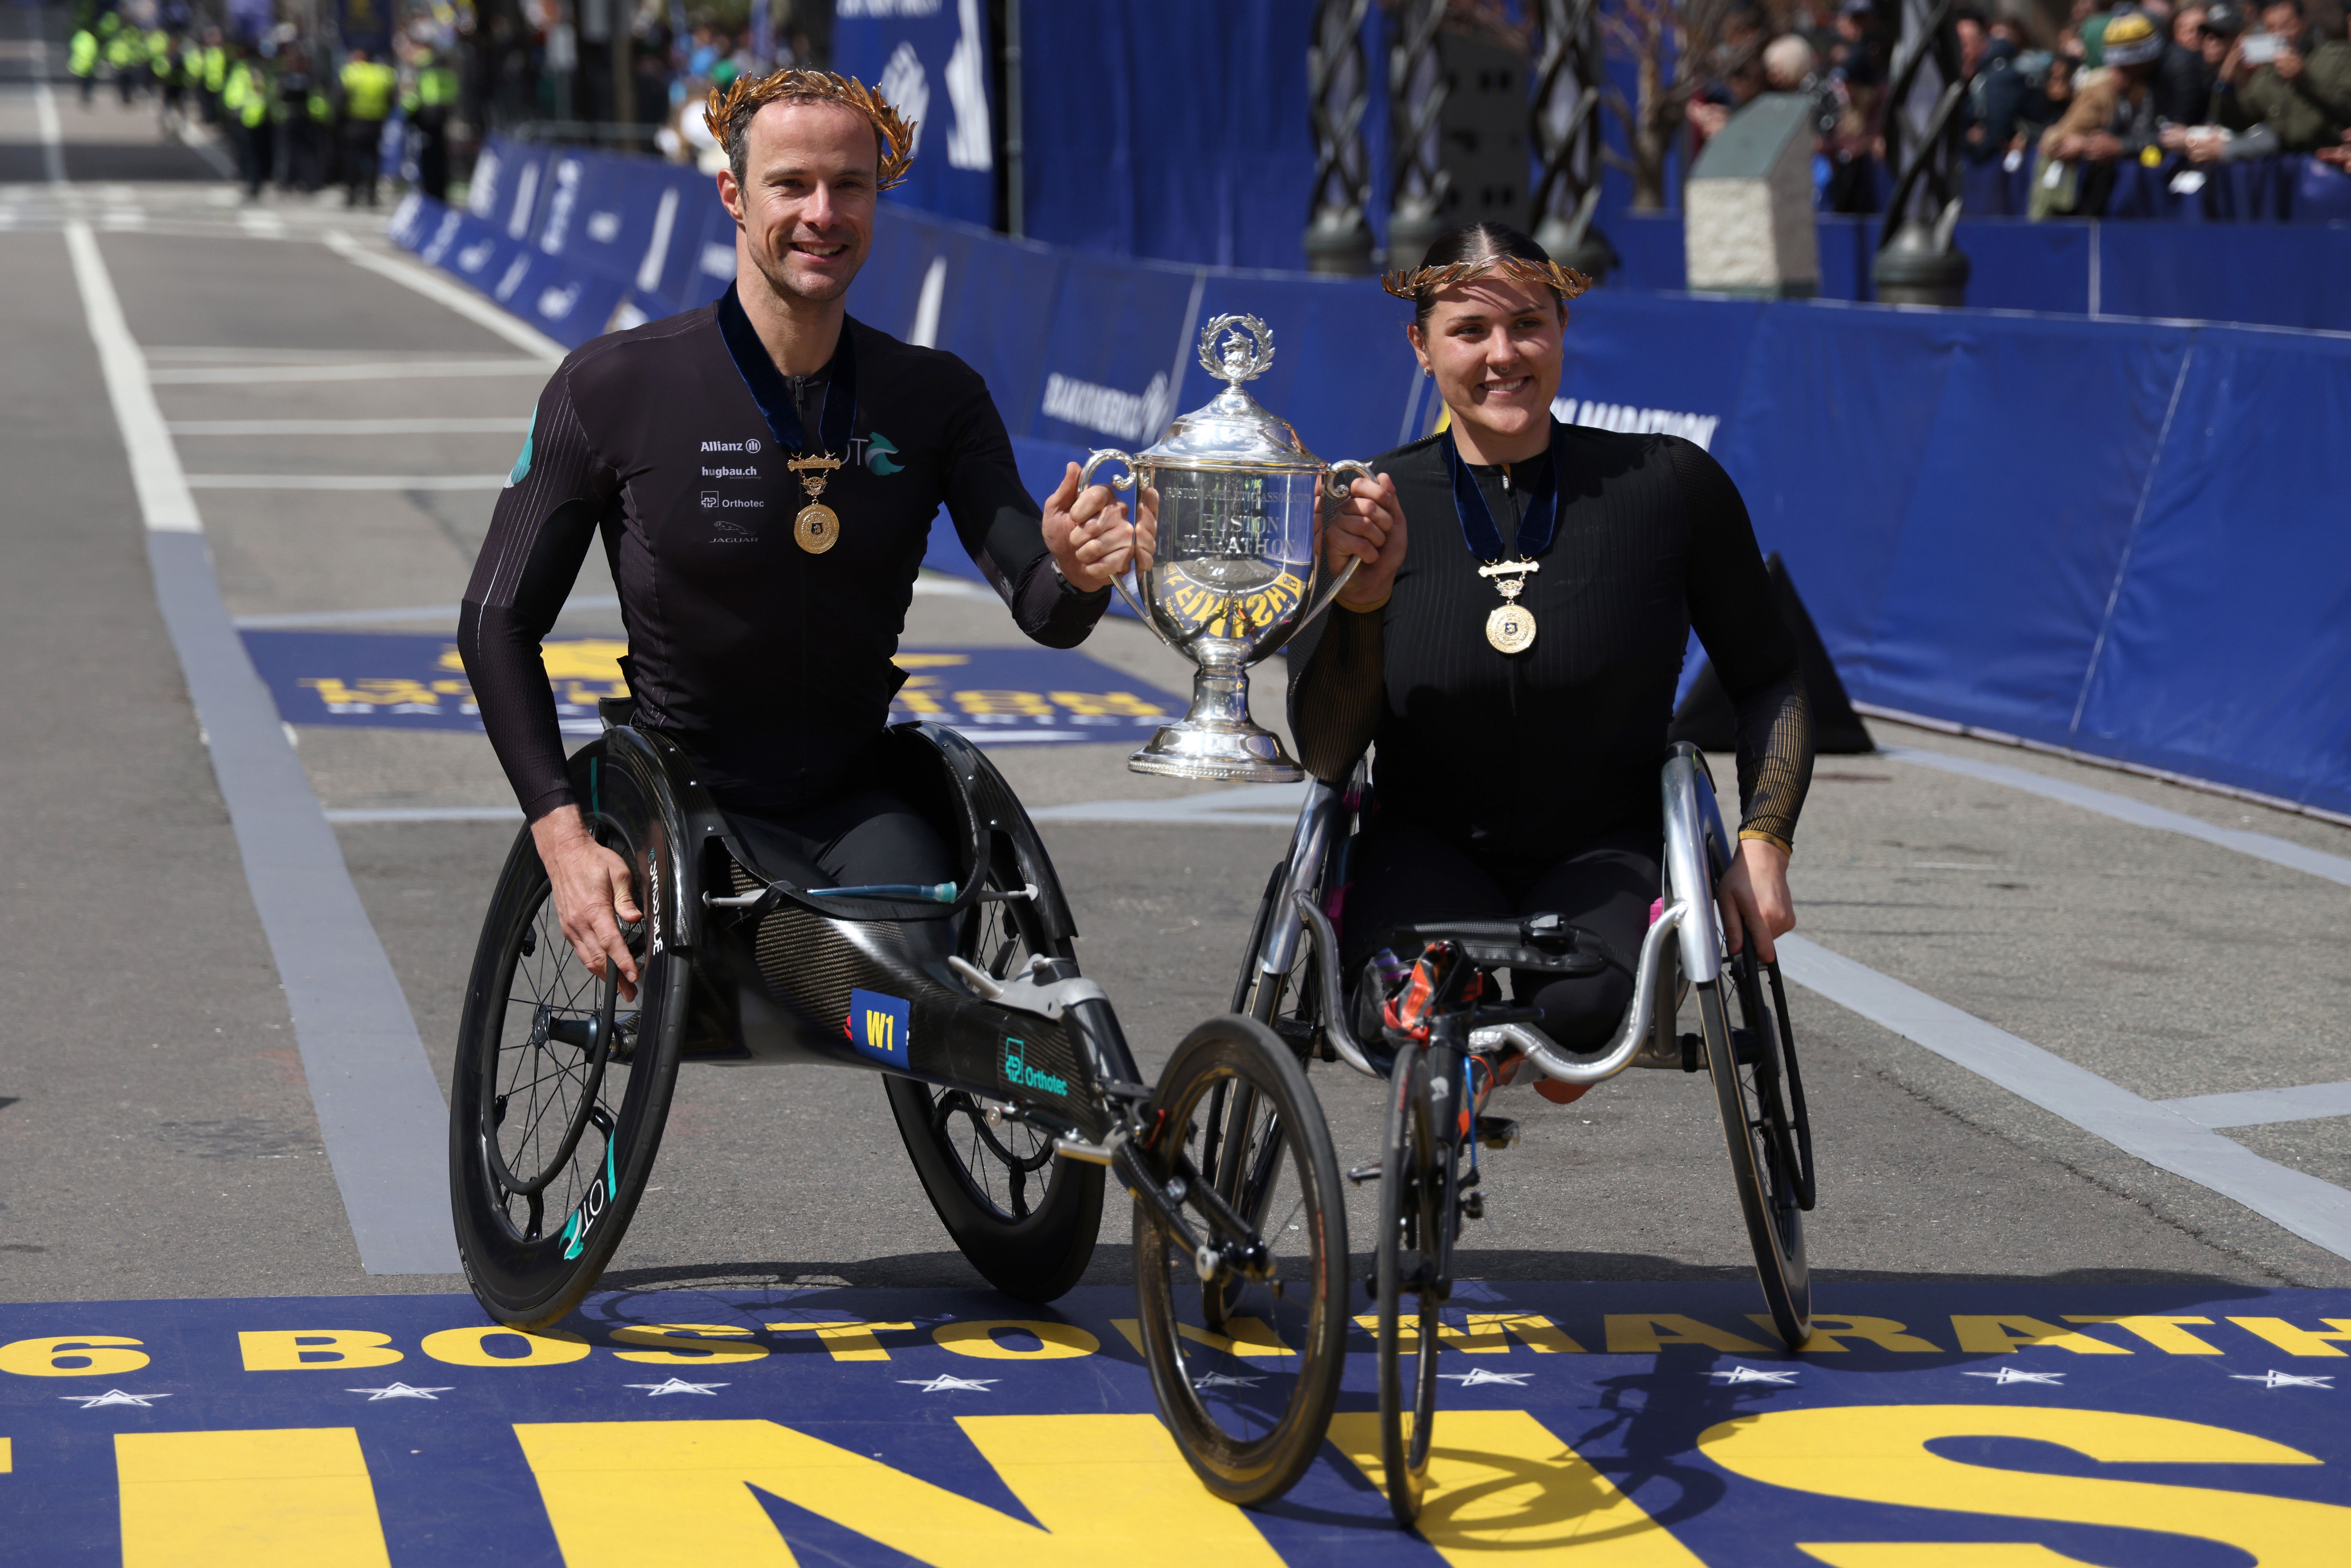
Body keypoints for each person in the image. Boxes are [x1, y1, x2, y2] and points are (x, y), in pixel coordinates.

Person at [460, 68, 1153, 994]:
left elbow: (1046, 607)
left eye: (849, 187)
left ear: (877, 200)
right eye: (791, 185)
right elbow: (493, 620)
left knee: (924, 987)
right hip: (680, 799)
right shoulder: (612, 387)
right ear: (734, 196)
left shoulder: (936, 398)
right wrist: (562, 838)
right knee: (830, 979)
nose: (822, 214)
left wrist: (1076, 569)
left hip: (854, 804)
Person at [1287, 222, 1812, 1103]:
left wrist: (1762, 847)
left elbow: (1769, 679)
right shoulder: (1365, 506)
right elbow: (1327, 754)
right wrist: (1361, 603)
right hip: (1422, 841)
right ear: (1419, 347)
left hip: (1603, 848)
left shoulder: (1666, 485)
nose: (1503, 355)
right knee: (1400, 1015)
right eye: (1469, 332)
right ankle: (1460, 1088)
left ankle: (1510, 1058)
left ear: (1562, 331)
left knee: (1583, 1020)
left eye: (1528, 324)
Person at [2034, 9, 2167, 215]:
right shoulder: (2111, 88)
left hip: (2149, 167)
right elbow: (2063, 137)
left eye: (2125, 67)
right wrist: (2090, 144)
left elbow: (2160, 136)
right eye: (2116, 66)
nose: (2117, 73)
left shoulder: (2156, 82)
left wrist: (2117, 146)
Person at [2212, 0, 2351, 151]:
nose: (2280, 36)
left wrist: (2303, 80)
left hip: (2332, 158)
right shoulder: (2267, 77)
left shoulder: (2338, 57)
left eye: (2287, 26)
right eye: (2272, 29)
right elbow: (2237, 123)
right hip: (2290, 163)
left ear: (2304, 23)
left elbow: (2346, 110)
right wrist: (2226, 84)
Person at [338, 47, 395, 206]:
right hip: (376, 122)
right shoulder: (384, 73)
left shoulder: (352, 72)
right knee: (373, 159)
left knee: (352, 159)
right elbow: (391, 99)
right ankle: (371, 195)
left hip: (355, 121)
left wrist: (340, 121)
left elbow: (342, 98)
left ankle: (352, 195)